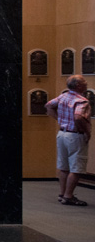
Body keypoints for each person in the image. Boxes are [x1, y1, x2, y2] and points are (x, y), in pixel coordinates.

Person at [45, 75, 91, 206]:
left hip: (62, 134)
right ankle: (68, 196)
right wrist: (87, 132)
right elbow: (78, 116)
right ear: (78, 86)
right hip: (76, 136)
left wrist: (60, 120)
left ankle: (62, 194)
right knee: (76, 168)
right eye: (84, 82)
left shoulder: (63, 96)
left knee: (64, 167)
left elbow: (48, 106)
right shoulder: (82, 101)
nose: (86, 84)